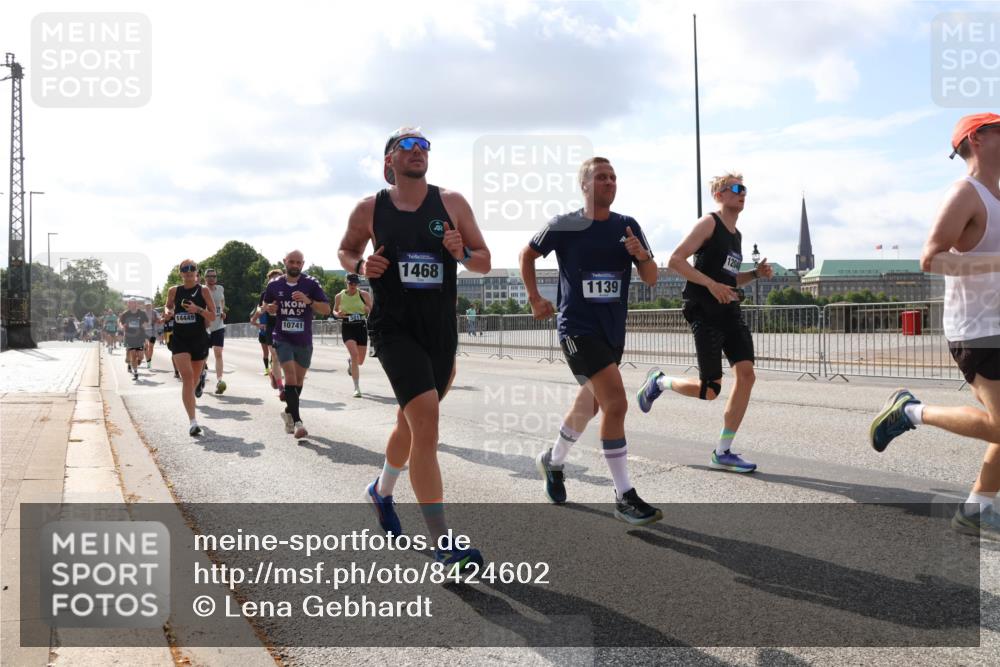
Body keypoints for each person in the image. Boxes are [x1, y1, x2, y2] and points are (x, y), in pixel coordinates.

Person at [338, 126, 491, 571]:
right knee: (426, 423)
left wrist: (461, 252)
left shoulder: (452, 203)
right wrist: (361, 264)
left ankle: (381, 491)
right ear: (389, 160)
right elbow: (346, 251)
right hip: (392, 327)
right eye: (406, 145)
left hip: (439, 330)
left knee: (410, 422)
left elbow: (482, 261)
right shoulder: (370, 209)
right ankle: (444, 546)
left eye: (423, 145)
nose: (417, 151)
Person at [871, 112, 1000, 539]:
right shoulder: (966, 192)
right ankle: (911, 412)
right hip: (977, 328)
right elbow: (930, 258)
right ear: (977, 138)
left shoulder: (997, 197)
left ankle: (977, 508)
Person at [522, 156, 662, 525]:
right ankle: (624, 496)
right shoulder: (565, 225)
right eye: (601, 177)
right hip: (577, 329)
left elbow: (651, 277)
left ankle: (552, 462)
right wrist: (536, 298)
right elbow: (528, 254)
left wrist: (642, 255)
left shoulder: (627, 226)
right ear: (584, 184)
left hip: (612, 331)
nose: (609, 183)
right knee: (616, 404)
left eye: (613, 177)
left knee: (592, 406)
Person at [637, 171, 772, 474]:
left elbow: (729, 278)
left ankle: (723, 451)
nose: (742, 193)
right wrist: (711, 286)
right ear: (719, 195)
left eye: (744, 189)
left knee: (747, 375)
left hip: (730, 312)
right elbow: (675, 260)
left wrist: (754, 274)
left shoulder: (736, 235)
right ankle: (659, 382)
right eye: (736, 188)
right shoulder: (708, 222)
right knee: (710, 390)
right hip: (705, 312)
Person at [263, 251, 331, 439]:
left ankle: (288, 412)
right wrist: (269, 308)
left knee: (299, 381)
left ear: (302, 264)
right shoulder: (274, 284)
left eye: (298, 262)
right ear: (285, 262)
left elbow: (326, 309)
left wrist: (308, 301)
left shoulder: (311, 283)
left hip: (303, 339)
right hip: (282, 337)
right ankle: (298, 422)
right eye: (291, 261)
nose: (294, 265)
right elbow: (265, 304)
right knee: (291, 378)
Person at [163, 260, 216, 436]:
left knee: (192, 381)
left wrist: (198, 309)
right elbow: (168, 306)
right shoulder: (174, 290)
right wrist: (168, 312)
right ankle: (193, 422)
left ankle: (199, 380)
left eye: (191, 269)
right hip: (180, 339)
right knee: (186, 378)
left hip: (199, 339)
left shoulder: (204, 290)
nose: (188, 272)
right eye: (184, 269)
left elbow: (212, 316)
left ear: (196, 272)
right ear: (180, 273)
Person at [334, 273, 373, 398]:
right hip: (347, 327)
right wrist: (337, 314)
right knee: (355, 354)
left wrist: (368, 309)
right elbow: (334, 310)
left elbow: (372, 309)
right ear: (346, 282)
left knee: (359, 361)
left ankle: (351, 363)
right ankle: (356, 387)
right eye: (351, 283)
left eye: (355, 283)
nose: (353, 285)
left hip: (361, 326)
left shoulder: (364, 294)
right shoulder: (339, 296)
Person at [204, 268, 228, 394]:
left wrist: (222, 311)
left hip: (218, 325)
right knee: (203, 355)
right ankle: (202, 373)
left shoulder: (220, 289)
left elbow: (222, 301)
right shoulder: (201, 290)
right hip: (205, 327)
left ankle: (219, 381)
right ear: (205, 278)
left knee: (218, 352)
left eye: (214, 276)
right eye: (209, 276)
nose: (212, 278)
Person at [119, 299, 149, 381]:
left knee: (140, 356)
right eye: (129, 303)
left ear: (136, 304)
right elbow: (121, 322)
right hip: (130, 337)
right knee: (133, 355)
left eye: (133, 303)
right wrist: (122, 326)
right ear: (128, 305)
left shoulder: (142, 313)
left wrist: (144, 325)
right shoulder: (125, 314)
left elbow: (146, 321)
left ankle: (136, 361)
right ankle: (135, 373)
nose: (131, 305)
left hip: (140, 337)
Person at [143, 302, 161, 369]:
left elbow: (159, 320)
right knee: (145, 346)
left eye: (149, 305)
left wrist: (156, 320)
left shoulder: (155, 312)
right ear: (145, 306)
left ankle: (149, 361)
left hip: (153, 332)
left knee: (151, 347)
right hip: (144, 332)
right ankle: (147, 359)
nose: (148, 306)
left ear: (151, 305)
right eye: (146, 305)